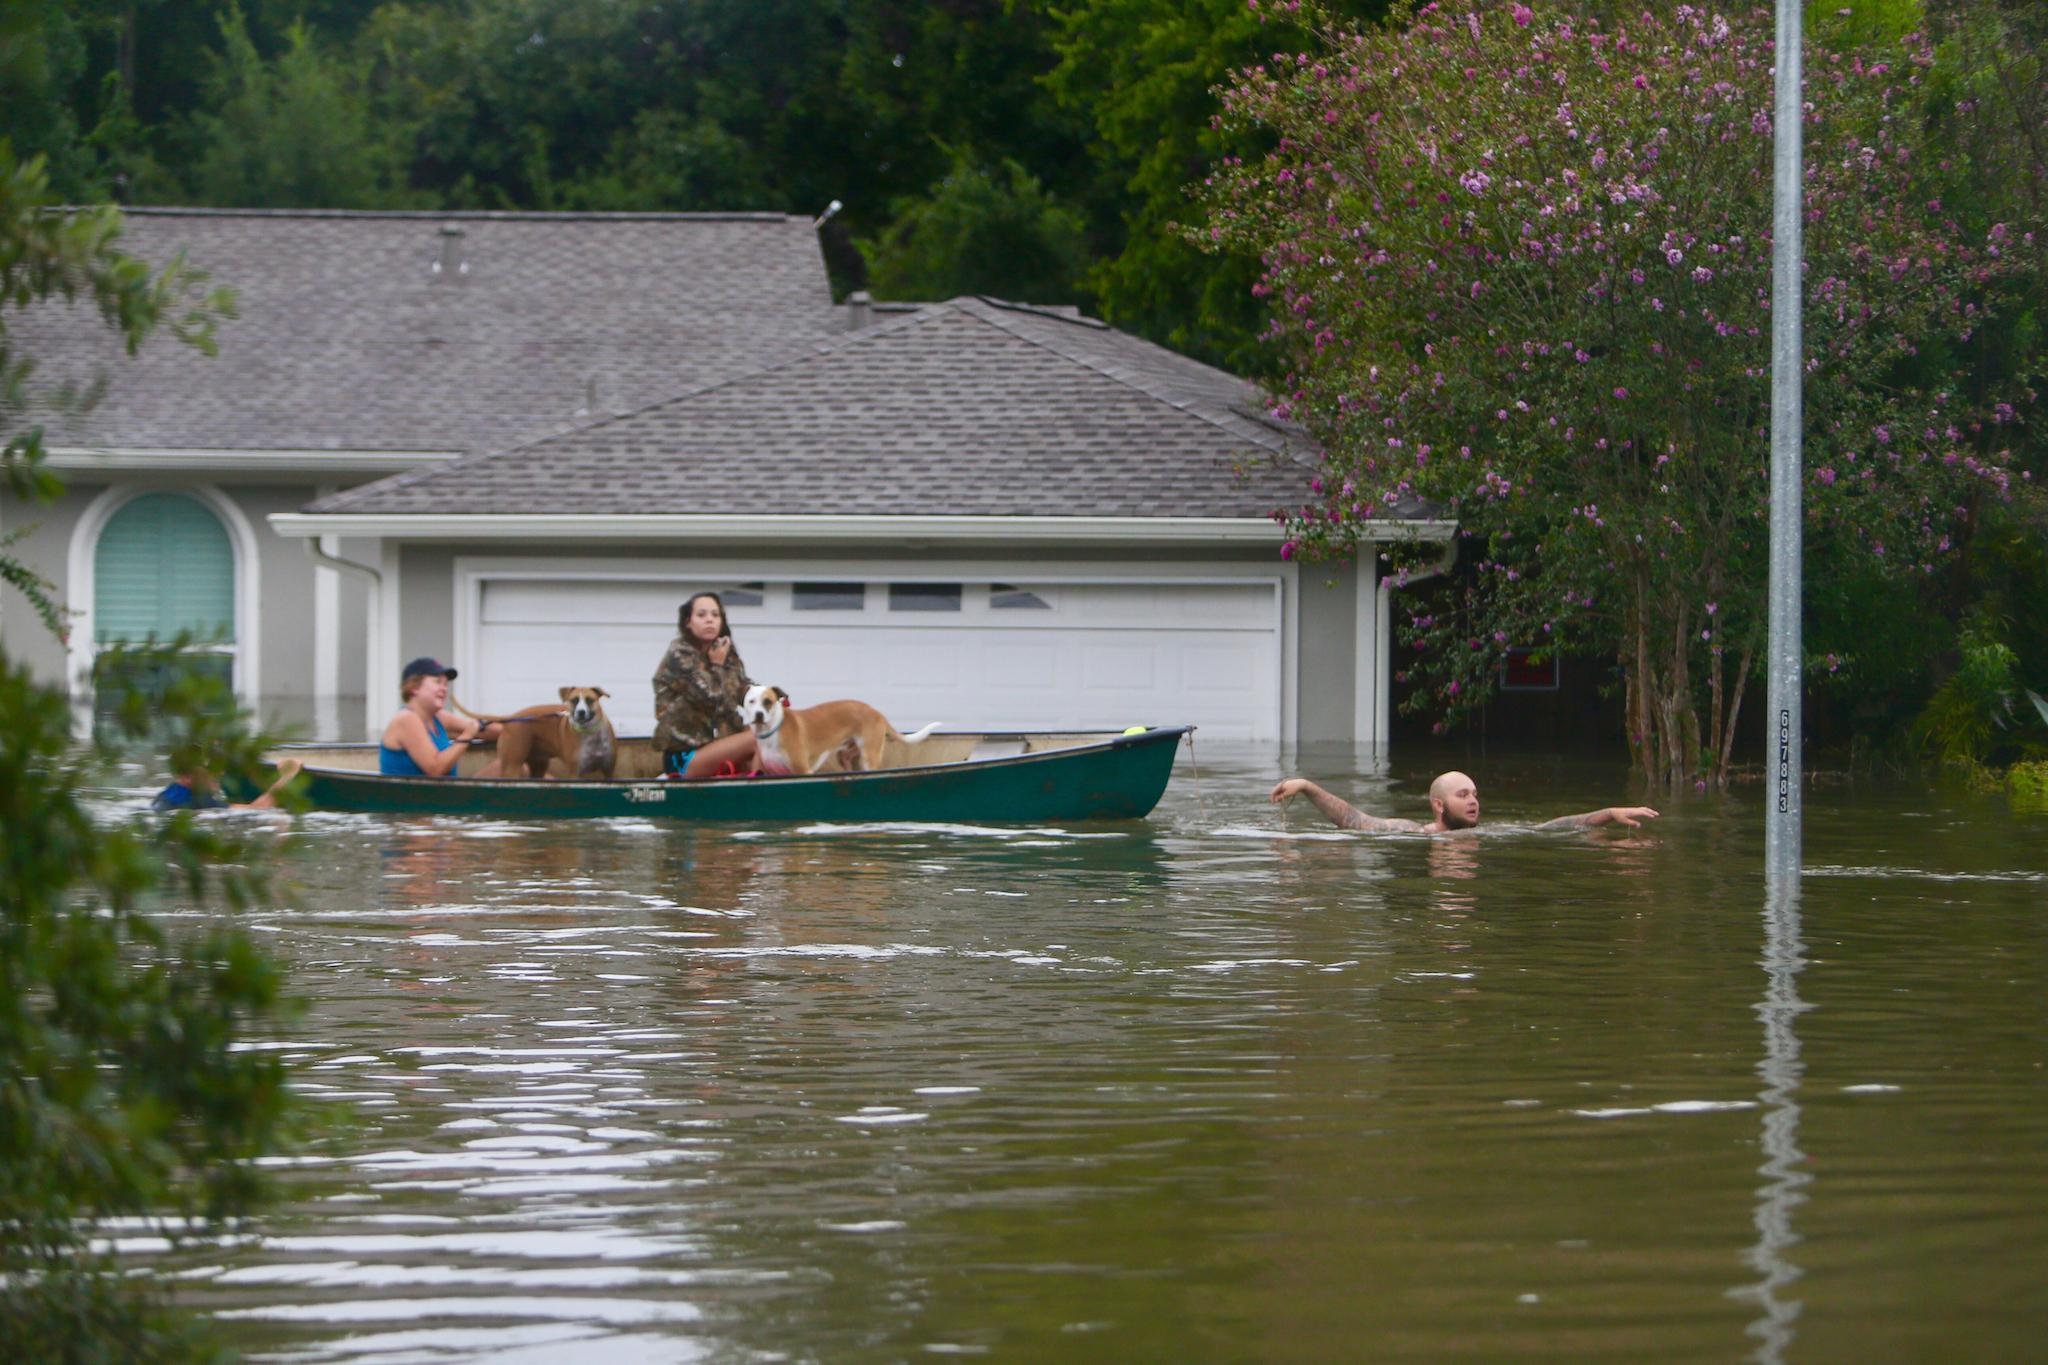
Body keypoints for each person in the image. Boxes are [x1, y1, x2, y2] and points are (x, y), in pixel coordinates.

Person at [1269, 770, 1658, 834]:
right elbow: (1355, 820)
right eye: (1463, 795)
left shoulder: (1487, 835)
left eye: (1475, 795)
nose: (1474, 802)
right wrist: (1306, 786)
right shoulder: (1413, 834)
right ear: (1438, 805)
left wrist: (1608, 813)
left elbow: (1552, 828)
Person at [652, 592, 761, 781]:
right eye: (701, 615)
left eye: (715, 615)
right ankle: (754, 787)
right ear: (688, 622)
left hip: (718, 745)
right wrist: (717, 666)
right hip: (686, 756)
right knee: (757, 738)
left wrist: (771, 698)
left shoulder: (724, 650)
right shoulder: (679, 655)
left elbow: (741, 687)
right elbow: (709, 697)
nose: (709, 620)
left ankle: (759, 789)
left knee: (769, 733)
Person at [381, 657, 500, 777]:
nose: (444, 689)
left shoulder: (439, 718)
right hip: (412, 795)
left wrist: (514, 730)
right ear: (414, 688)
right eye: (437, 682)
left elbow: (482, 731)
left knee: (505, 764)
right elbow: (436, 769)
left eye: (445, 684)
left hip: (445, 792)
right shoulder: (406, 719)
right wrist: (467, 736)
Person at [153, 757, 304, 812]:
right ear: (187, 778)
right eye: (209, 770)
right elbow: (258, 809)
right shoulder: (200, 802)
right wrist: (287, 776)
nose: (219, 774)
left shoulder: (166, 794)